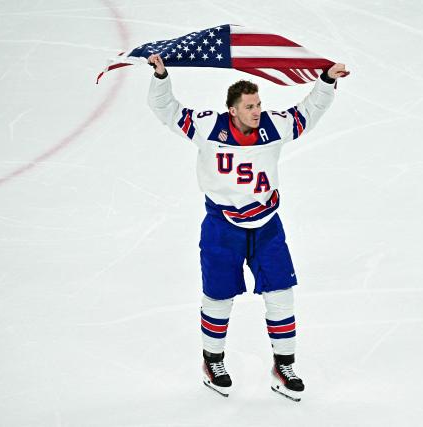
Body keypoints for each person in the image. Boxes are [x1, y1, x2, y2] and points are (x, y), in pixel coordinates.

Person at [146, 53, 348, 402]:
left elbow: (308, 112)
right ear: (233, 110)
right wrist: (162, 76)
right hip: (222, 228)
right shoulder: (208, 127)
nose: (257, 111)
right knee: (219, 297)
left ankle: (283, 366)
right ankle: (213, 362)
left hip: (268, 226)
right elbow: (166, 108)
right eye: (250, 106)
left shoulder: (273, 126)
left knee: (282, 294)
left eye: (258, 104)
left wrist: (326, 81)